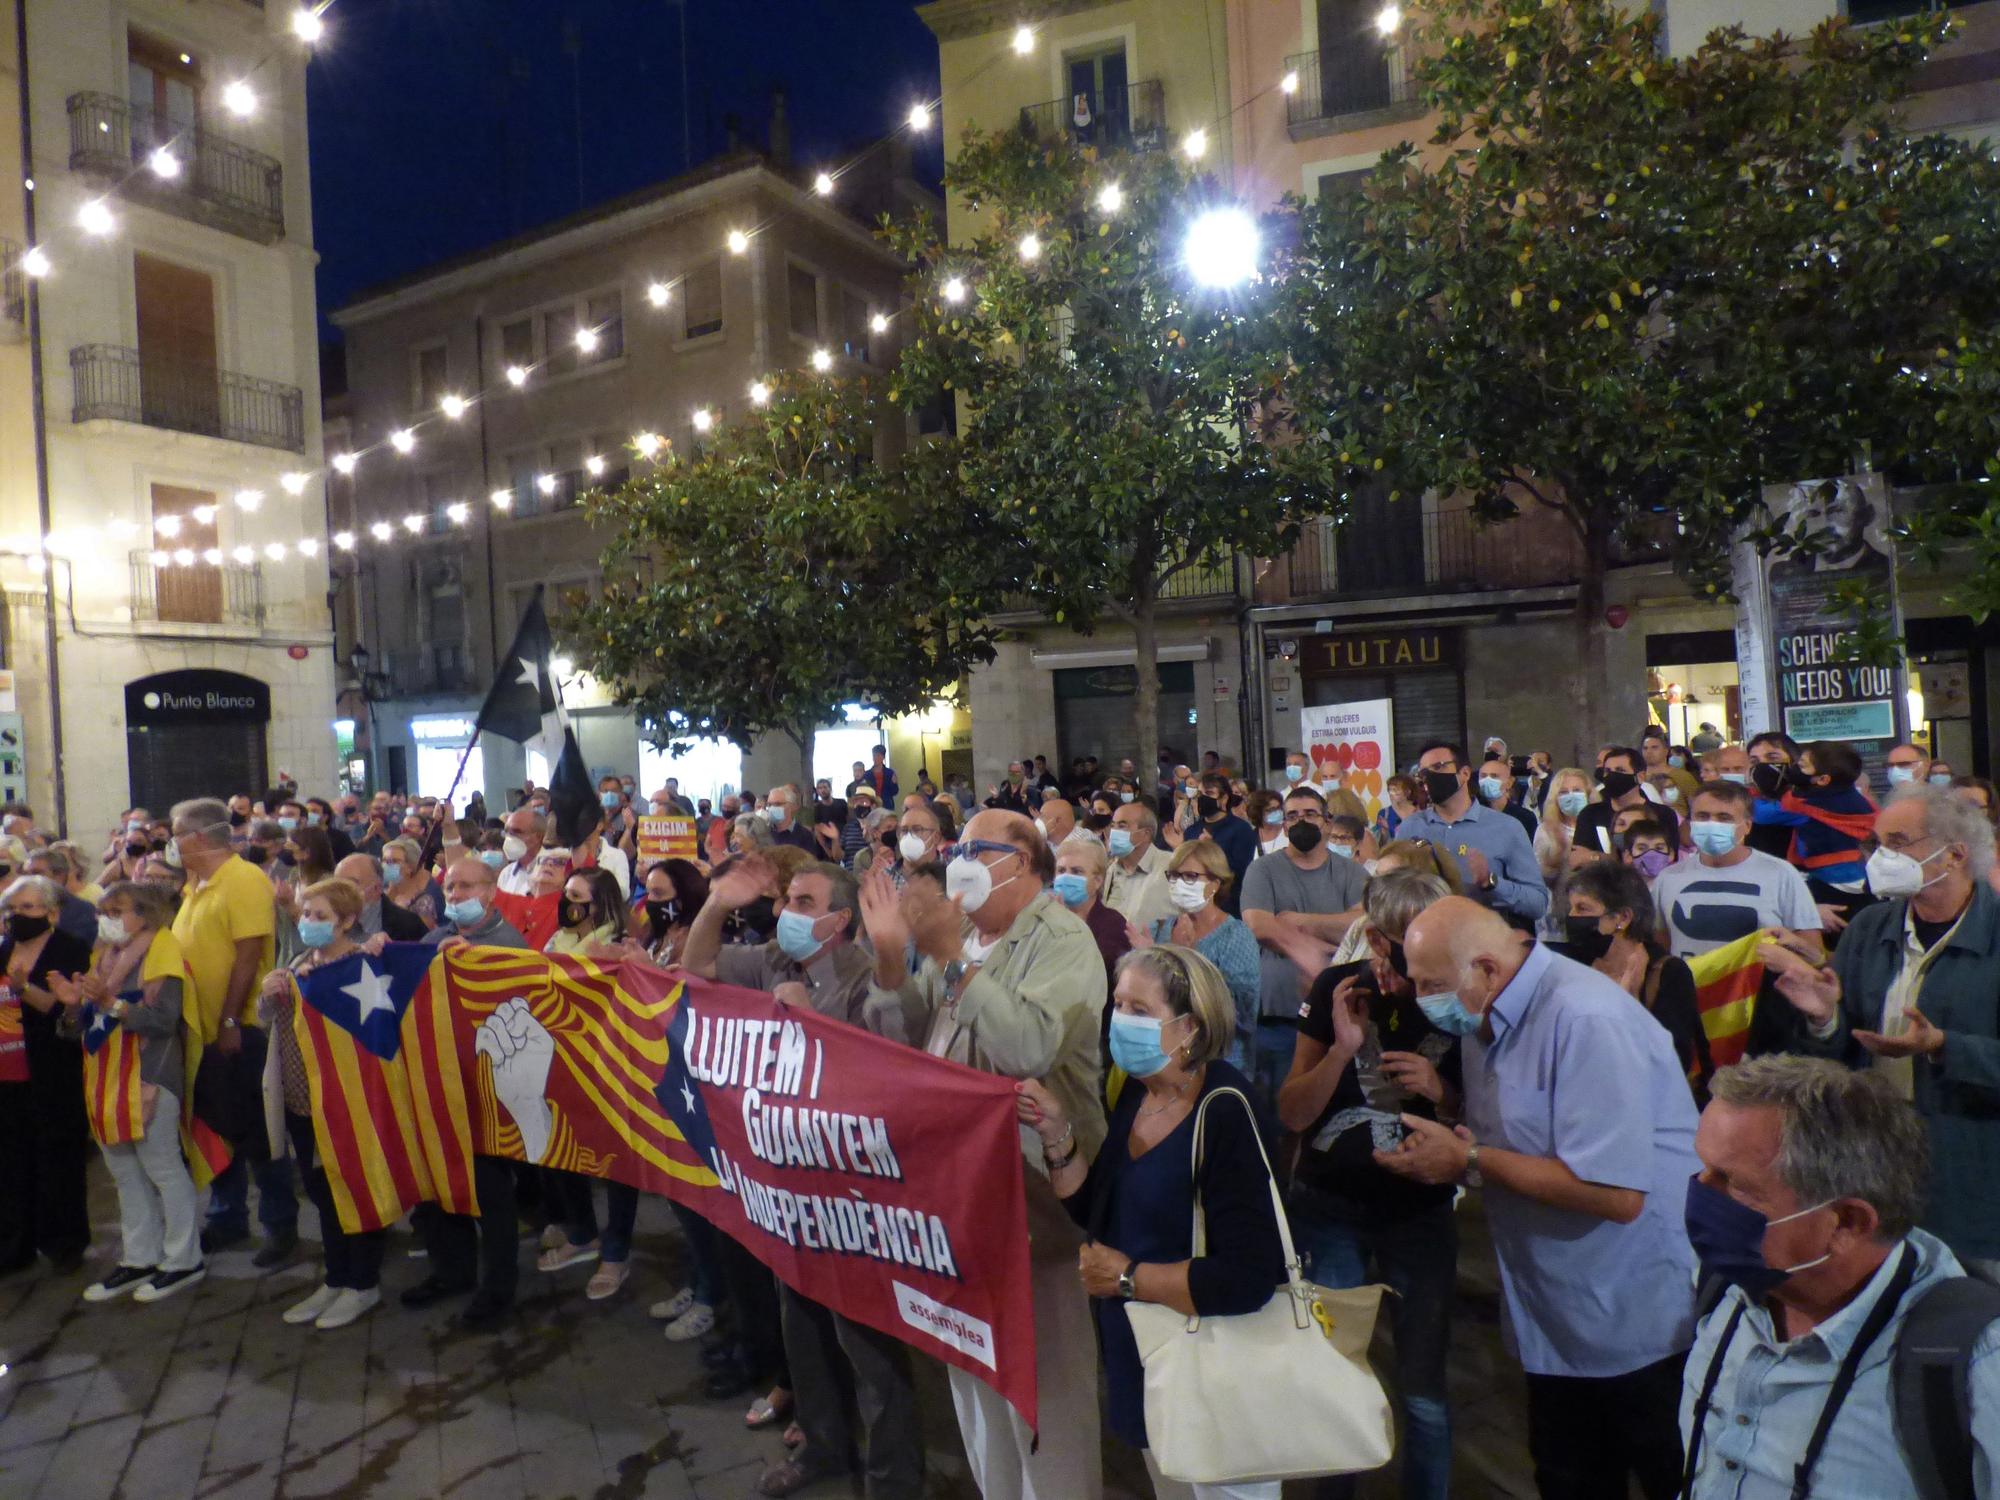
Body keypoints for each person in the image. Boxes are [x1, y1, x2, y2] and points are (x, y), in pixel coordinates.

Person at [1378, 897, 1700, 1500]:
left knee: (1666, 1476)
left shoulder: (1584, 1019)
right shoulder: (1485, 1012)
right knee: (1567, 1477)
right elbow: (1516, 1129)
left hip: (1629, 1314)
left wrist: (1466, 1159)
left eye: (1430, 984)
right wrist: (1456, 1123)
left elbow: (1616, 1192)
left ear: (1487, 969)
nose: (1421, 997)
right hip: (1551, 1309)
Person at [859, 811, 1108, 1500]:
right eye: (956, 847)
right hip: (959, 1198)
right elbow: (908, 1038)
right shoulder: (970, 939)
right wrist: (889, 956)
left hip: (1032, 1203)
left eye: (978, 849)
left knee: (1043, 1398)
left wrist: (949, 959)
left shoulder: (1061, 940)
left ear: (1025, 864)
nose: (959, 859)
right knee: (973, 1379)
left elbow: (1028, 1047)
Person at [1020, 945, 1287, 1500]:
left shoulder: (1228, 1112)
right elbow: (1098, 1212)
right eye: (1117, 1004)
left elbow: (1250, 1275)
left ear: (1188, 1026)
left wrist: (1125, 1279)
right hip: (1149, 1361)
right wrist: (1056, 1135)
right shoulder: (1138, 1095)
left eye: (1138, 1009)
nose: (1119, 1020)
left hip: (1215, 1373)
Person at [1680, 1054, 2000, 1498]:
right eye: (1704, 1167)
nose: (1698, 1190)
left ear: (1847, 1222)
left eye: (1734, 1185)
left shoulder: (1978, 1368)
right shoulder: (1727, 1287)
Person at [1279, 871, 1459, 1500]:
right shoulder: (1338, 988)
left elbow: (1486, 1124)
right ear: (1379, 941)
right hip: (1332, 1207)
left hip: (1422, 1213)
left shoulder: (1454, 998)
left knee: (1423, 1388)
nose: (1421, 971)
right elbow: (1294, 1113)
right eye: (1408, 949)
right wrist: (1341, 1049)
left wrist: (1440, 1089)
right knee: (1339, 1379)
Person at [1768, 783, 2000, 1271]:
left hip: (1973, 1170)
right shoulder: (1870, 928)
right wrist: (1824, 1017)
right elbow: (1837, 1055)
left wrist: (1942, 1046)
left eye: (1897, 843)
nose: (1878, 857)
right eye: (1875, 844)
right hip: (1875, 1161)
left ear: (1954, 854)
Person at [47, 880, 203, 1303]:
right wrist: (73, 1006)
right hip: (105, 1076)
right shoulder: (106, 957)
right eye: (104, 911)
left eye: (116, 911)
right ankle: (140, 1256)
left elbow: (164, 1021)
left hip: (149, 1074)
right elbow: (75, 1029)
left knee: (163, 1168)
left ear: (145, 914)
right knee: (124, 1173)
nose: (106, 920)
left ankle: (183, 1259)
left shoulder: (163, 950)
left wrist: (111, 1002)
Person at [167, 798, 297, 1266]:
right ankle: (227, 1217)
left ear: (198, 837)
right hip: (199, 1030)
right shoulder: (196, 886)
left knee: (259, 1132)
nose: (172, 843)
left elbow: (248, 954)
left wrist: (228, 1019)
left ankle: (280, 1225)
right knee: (216, 1124)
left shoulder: (241, 879)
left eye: (176, 833)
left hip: (239, 1028)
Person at [255, 877, 387, 1329]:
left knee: (351, 1188)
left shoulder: (360, 965)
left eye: (320, 917)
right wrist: (271, 994)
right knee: (320, 1191)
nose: (308, 923)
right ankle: (336, 1277)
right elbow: (271, 1020)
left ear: (348, 921)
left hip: (343, 1102)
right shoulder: (300, 960)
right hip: (299, 1099)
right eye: (306, 915)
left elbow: (370, 1032)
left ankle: (362, 1283)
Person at [402, 856, 528, 1328]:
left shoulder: (508, 943)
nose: (454, 896)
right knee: (439, 1181)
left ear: (492, 891)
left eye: (466, 887)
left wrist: (471, 964)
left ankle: (498, 1289)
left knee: (490, 1192)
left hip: (487, 1086)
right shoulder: (436, 939)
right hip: (438, 1080)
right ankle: (451, 1269)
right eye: (450, 888)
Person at [1239, 786, 1368, 1102]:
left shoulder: (1352, 872)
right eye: (1292, 816)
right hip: (1278, 1018)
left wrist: (1299, 922)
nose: (1301, 822)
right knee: (1279, 1113)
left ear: (1327, 820)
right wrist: (1323, 945)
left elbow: (1363, 924)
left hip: (1341, 1020)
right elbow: (1257, 924)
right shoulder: (1263, 869)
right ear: (1283, 825)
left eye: (1310, 814)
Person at [0, 874, 94, 1273]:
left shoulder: (68, 949)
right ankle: (14, 1245)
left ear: (53, 913)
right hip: (8, 1070)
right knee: (11, 1161)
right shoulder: (4, 947)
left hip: (53, 1067)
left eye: (29, 908)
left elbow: (67, 1014)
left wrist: (25, 989)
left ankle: (63, 1241)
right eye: (14, 909)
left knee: (58, 1154)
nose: (19, 916)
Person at [1565, 860, 1712, 1103]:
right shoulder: (1572, 967)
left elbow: (1672, 1063)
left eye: (1582, 909)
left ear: (1622, 917)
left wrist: (1630, 1003)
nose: (1571, 918)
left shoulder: (1667, 973)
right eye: (1571, 909)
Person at [1131, 840, 1261, 1078]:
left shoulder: (1236, 936)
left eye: (1190, 876)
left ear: (1215, 883)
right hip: (1161, 1059)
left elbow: (1242, 1015)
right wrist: (1144, 962)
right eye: (1174, 875)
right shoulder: (1159, 928)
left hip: (1219, 1064)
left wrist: (1186, 959)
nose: (1180, 884)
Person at [1651, 783, 1821, 960]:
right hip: (1689, 986)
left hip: (1757, 986)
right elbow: (1661, 948)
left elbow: (1813, 953)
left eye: (1724, 818)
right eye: (1702, 816)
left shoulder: (1781, 874)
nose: (1711, 824)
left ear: (1747, 825)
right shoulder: (1668, 878)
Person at [1400, 740, 1550, 923]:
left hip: (1484, 942)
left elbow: (1537, 904)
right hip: (1426, 942)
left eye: (1438, 767)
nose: (1430, 777)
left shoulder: (1507, 828)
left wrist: (1491, 883)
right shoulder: (1410, 828)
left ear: (1464, 773)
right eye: (1424, 773)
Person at [1574, 745, 1682, 863]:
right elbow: (1577, 859)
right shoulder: (1590, 813)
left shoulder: (1664, 814)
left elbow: (1669, 858)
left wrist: (1598, 857)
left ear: (1640, 777)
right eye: (1608, 771)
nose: (1611, 776)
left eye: (1620, 770)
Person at [1052, 834, 1130, 994]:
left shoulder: (1113, 924)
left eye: (1077, 871)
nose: (1066, 877)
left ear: (1097, 881)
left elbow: (1090, 977)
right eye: (1061, 870)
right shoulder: (1045, 919)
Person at [332, 854, 427, 941]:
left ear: (377, 888)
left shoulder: (408, 925)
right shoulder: (327, 922)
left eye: (351, 884)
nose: (341, 892)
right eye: (337, 885)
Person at [1746, 732, 1803, 859]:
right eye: (1754, 761)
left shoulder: (1817, 798)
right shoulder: (1747, 800)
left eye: (1772, 758)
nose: (1762, 766)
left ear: (1795, 761)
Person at [1535, 768, 1593, 881]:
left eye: (1577, 790)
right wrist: (1557, 855)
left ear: (1588, 793)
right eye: (1564, 792)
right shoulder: (1545, 830)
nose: (1571, 796)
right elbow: (1539, 875)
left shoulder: (1599, 826)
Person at [382, 835, 444, 929]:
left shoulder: (425, 898)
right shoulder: (388, 888)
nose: (386, 866)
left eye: (393, 861)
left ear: (410, 866)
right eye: (384, 861)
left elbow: (422, 935)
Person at [1476, 751, 1538, 842]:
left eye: (1494, 776)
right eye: (1483, 776)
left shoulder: (1524, 817)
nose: (1487, 780)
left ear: (1509, 783)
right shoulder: (1471, 814)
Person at [1641, 727, 1701, 809]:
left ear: (1666, 751)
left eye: (1654, 747)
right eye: (1645, 748)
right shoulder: (1638, 777)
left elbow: (1697, 805)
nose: (1649, 751)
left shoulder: (1683, 777)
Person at [495, 807, 547, 897]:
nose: (509, 837)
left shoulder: (552, 870)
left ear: (538, 837)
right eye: (506, 832)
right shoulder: (506, 873)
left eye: (516, 832)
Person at [762, 786, 819, 854]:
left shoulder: (804, 835)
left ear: (792, 806)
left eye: (777, 804)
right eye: (769, 805)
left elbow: (809, 863)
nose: (772, 808)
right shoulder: (765, 833)